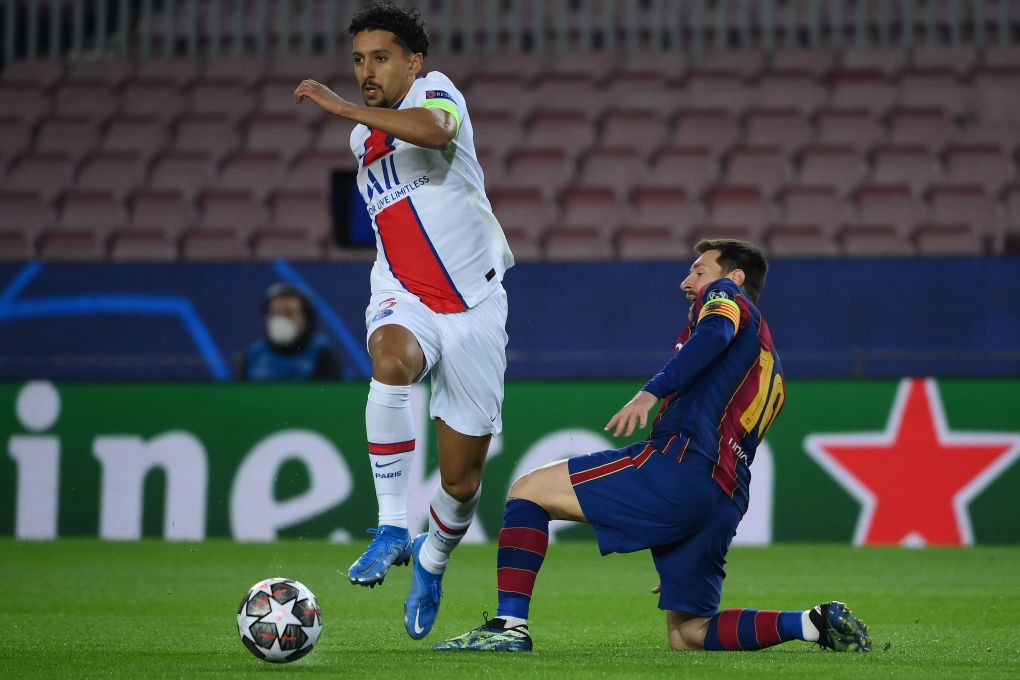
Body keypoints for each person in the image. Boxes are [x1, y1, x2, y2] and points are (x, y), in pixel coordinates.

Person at [435, 239, 872, 653]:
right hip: (724, 497)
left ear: (734, 278)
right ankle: (812, 623)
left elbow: (715, 333)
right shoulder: (770, 362)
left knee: (527, 491)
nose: (688, 283)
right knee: (689, 633)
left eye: (698, 271)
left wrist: (652, 391)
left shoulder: (726, 298)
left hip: (681, 464)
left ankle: (509, 627)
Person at [294, 1, 513, 640]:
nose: (367, 70)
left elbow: (438, 133)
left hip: (475, 303)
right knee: (389, 360)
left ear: (412, 62)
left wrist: (342, 106)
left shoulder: (436, 92)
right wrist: (352, 116)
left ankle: (432, 559)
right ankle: (392, 525)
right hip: (402, 292)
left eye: (380, 57)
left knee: (461, 483)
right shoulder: (363, 137)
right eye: (359, 59)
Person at [236, 282, 342, 381]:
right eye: (275, 313)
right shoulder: (253, 355)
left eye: (289, 314)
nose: (281, 320)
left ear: (306, 319)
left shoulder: (322, 355)